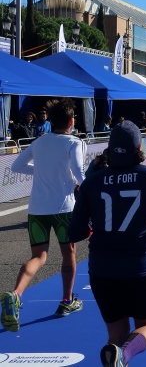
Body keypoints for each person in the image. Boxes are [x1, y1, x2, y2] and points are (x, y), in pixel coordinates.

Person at [69, 121, 146, 367]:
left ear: (109, 147)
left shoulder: (92, 182)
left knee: (117, 336)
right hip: (139, 268)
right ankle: (124, 356)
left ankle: (119, 356)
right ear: (139, 147)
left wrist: (96, 226)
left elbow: (75, 232)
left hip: (102, 270)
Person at [2, 99, 85, 333]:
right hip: (64, 208)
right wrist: (90, 191)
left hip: (37, 209)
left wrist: (40, 170)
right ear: (71, 122)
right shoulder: (74, 142)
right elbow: (78, 171)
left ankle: (16, 293)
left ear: (50, 120)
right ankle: (67, 300)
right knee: (68, 253)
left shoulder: (39, 142)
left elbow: (16, 167)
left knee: (38, 256)